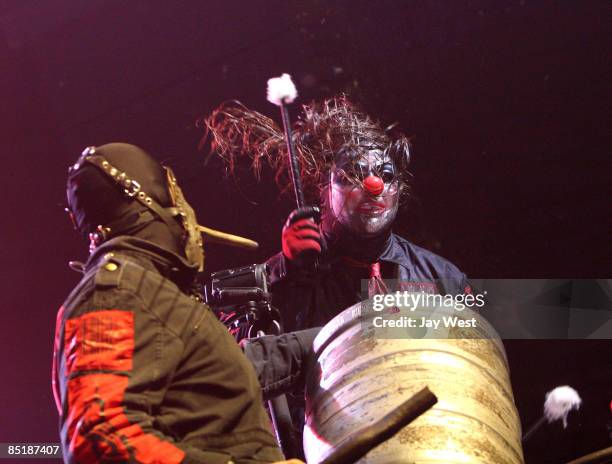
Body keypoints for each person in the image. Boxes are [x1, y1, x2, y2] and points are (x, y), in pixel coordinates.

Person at [53, 142, 306, 464]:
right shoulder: (117, 291)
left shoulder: (151, 292)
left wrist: (354, 326)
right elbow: (100, 440)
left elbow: (215, 384)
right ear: (149, 201)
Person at [205, 96, 470, 334]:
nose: (373, 187)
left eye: (387, 175)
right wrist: (284, 275)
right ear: (323, 190)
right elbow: (235, 361)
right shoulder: (278, 279)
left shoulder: (443, 277)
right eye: (351, 175)